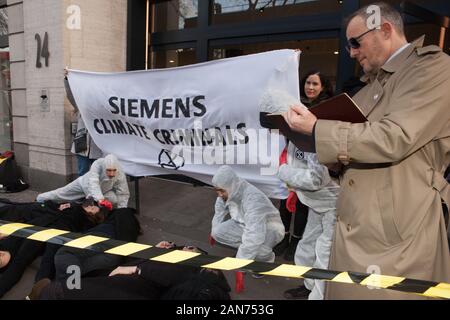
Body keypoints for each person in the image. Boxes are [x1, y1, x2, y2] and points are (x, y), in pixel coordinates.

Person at [283, 2, 450, 299]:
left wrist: (318, 130)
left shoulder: (432, 68)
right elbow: (357, 144)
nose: (351, 52)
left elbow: (394, 136)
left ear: (385, 30)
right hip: (358, 227)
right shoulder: (370, 86)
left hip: (397, 237)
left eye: (355, 42)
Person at [259, 88, 339, 300]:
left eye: (274, 128)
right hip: (316, 203)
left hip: (334, 205)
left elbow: (316, 178)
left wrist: (283, 171)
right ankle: (309, 285)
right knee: (307, 247)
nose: (274, 134)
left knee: (325, 254)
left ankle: (319, 295)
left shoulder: (309, 133)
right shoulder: (294, 135)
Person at [30, 241, 231, 300]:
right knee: (69, 274)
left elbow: (171, 276)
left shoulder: (188, 267)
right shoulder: (165, 257)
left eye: (191, 247)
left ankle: (49, 292)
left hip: (130, 285)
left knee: (70, 287)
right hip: (118, 279)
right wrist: (152, 251)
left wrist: (136, 268)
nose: (186, 247)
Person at [275, 71, 334, 261]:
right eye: (308, 83)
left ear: (323, 87)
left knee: (302, 207)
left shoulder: (327, 109)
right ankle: (283, 238)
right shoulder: (296, 106)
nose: (310, 87)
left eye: (315, 84)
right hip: (293, 160)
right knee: (285, 203)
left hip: (311, 167)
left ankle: (295, 242)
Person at [0, 198, 105, 298]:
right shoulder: (74, 207)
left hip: (55, 233)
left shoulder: (86, 220)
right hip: (42, 227)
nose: (91, 207)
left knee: (43, 260)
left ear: (94, 215)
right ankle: (40, 290)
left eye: (94, 208)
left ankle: (41, 291)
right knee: (22, 259)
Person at [210, 165, 284, 264]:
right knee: (217, 232)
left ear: (230, 186)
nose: (219, 194)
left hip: (269, 228)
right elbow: (219, 211)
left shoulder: (253, 199)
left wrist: (241, 262)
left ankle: (266, 261)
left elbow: (254, 234)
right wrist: (213, 230)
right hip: (243, 223)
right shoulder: (229, 190)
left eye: (222, 191)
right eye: (217, 190)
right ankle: (247, 251)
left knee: (261, 252)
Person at [36, 154, 130, 209]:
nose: (112, 174)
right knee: (60, 194)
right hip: (83, 184)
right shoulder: (98, 163)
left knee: (114, 199)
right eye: (109, 170)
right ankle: (40, 199)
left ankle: (99, 216)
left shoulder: (120, 172)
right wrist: (101, 199)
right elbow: (93, 183)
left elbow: (123, 193)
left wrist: (122, 212)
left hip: (103, 191)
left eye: (114, 171)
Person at [64, 69, 102, 176]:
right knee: (82, 174)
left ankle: (95, 192)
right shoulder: (81, 105)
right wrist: (67, 79)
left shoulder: (103, 110)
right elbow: (70, 94)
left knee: (97, 175)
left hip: (97, 148)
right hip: (82, 146)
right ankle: (82, 192)